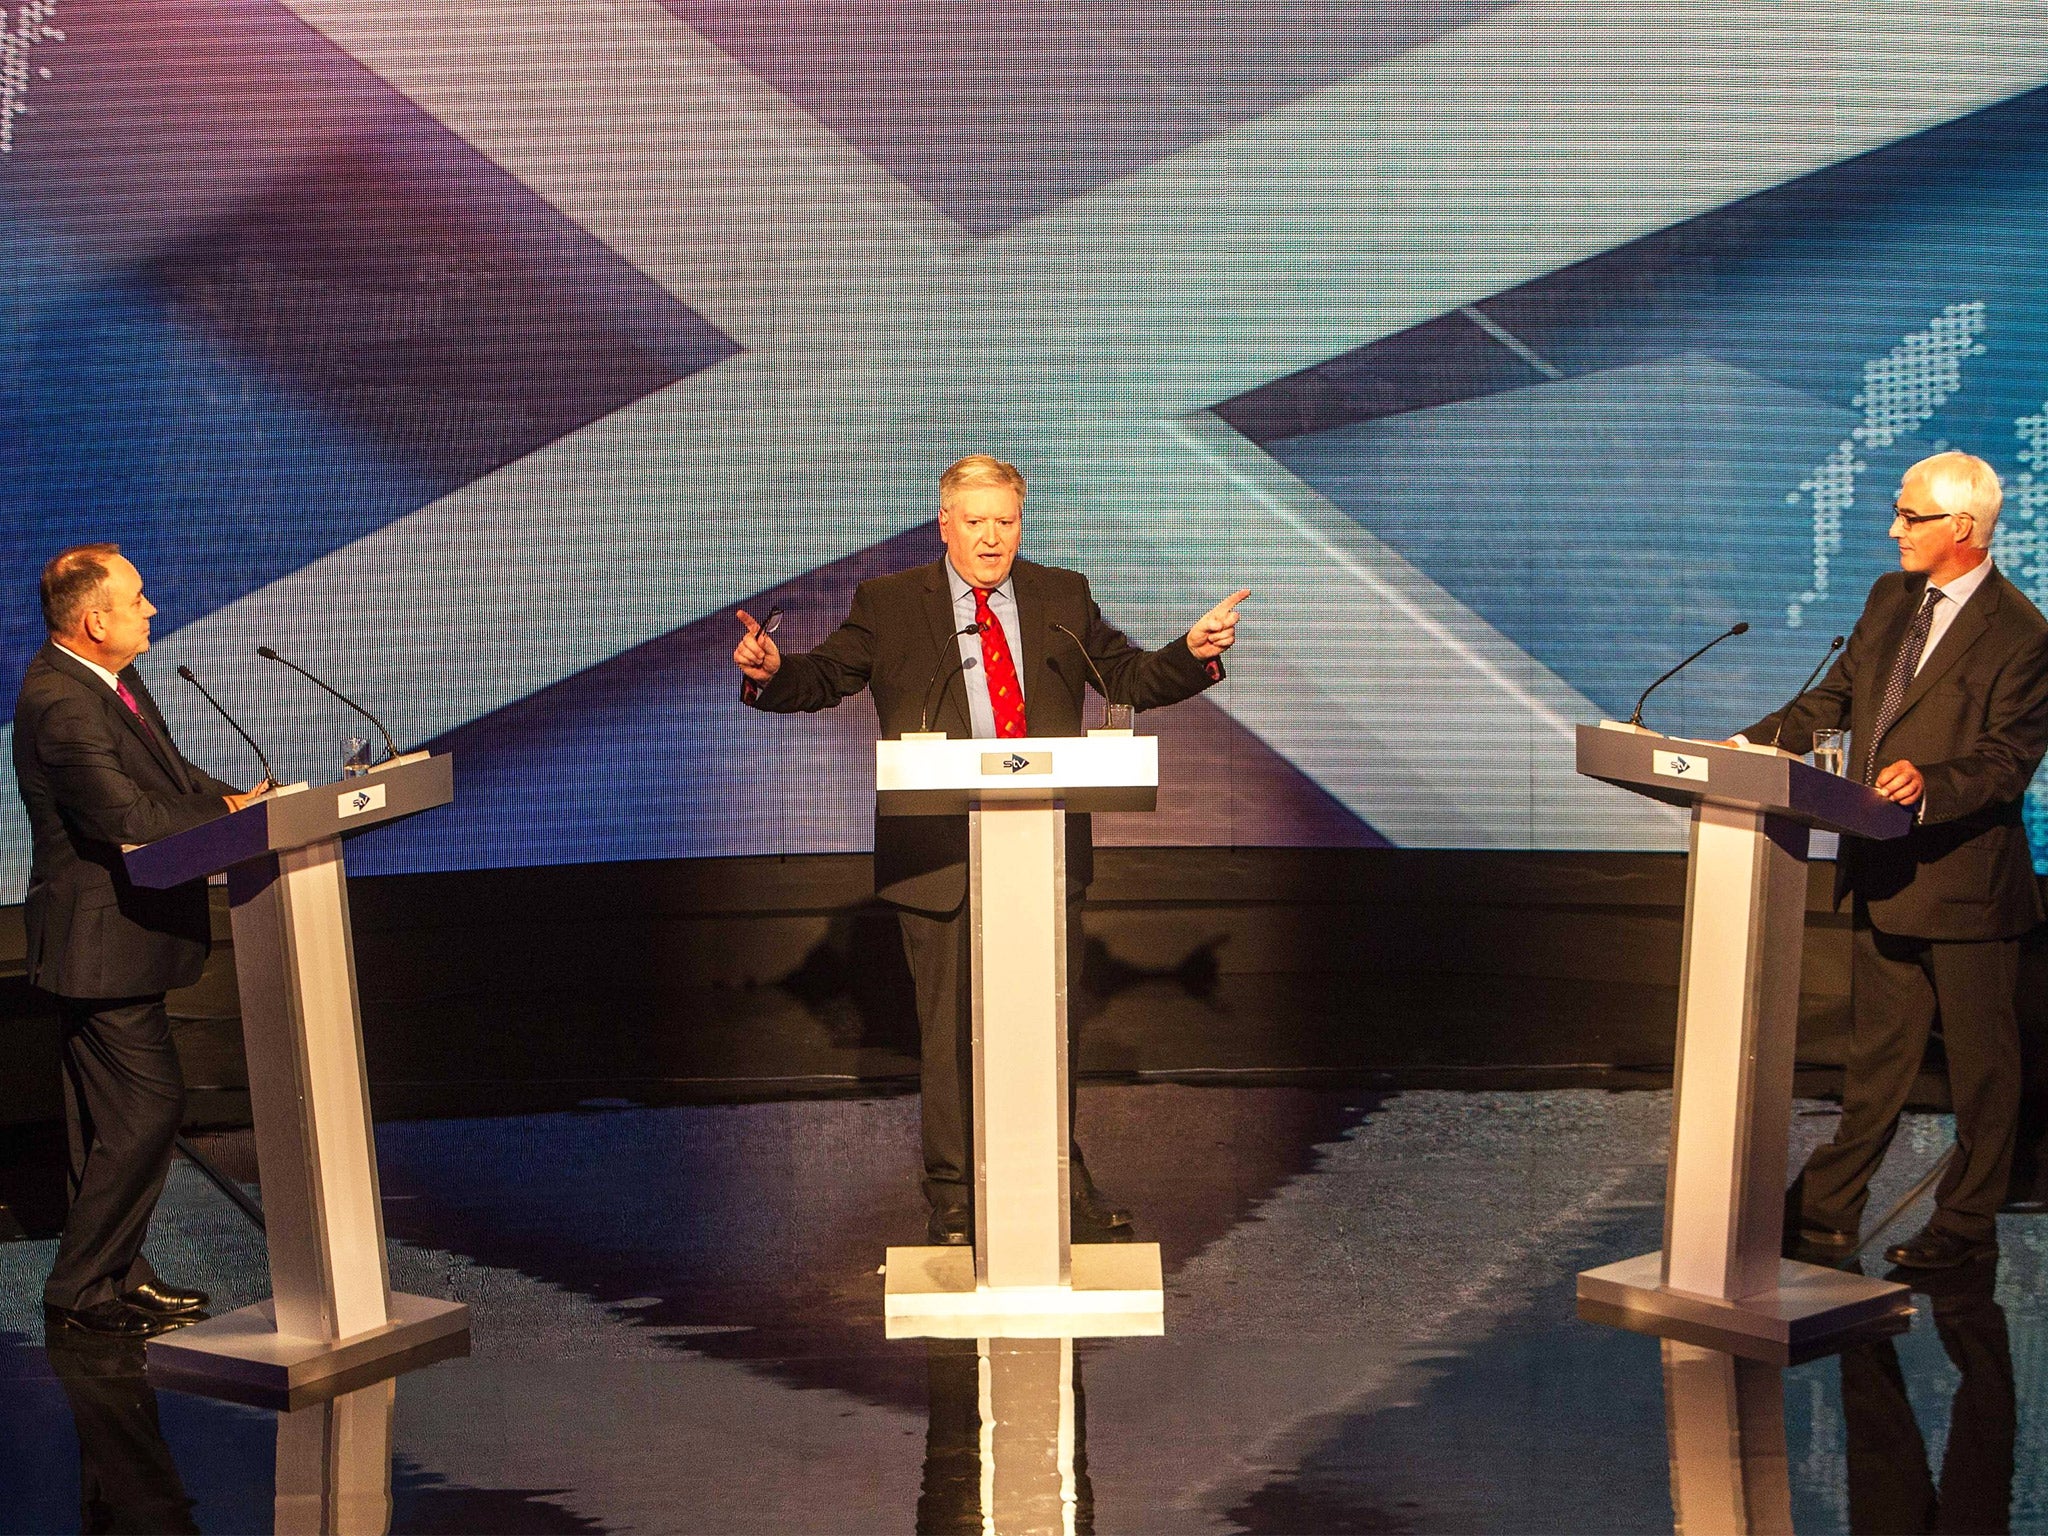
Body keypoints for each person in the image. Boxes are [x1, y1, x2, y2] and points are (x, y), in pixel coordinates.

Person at [732, 454, 1247, 1244]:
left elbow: (1127, 677)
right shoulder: (892, 602)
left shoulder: (1060, 596)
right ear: (946, 524)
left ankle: (1059, 1180)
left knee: (1047, 1023)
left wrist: (1191, 647)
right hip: (935, 854)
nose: (992, 537)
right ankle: (952, 1192)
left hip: (1040, 850)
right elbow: (826, 677)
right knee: (949, 1031)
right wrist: (772, 671)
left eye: (1005, 521)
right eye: (976, 521)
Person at [1735, 452, 2048, 1269]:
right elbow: (1835, 700)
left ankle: (1965, 1226)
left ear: (1963, 528)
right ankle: (1830, 1208)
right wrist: (1744, 745)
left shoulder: (2023, 634)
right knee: (1876, 1061)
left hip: (1969, 886)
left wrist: (1929, 782)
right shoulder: (1890, 597)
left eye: (1909, 517)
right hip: (1884, 868)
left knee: (1983, 1075)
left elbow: (2006, 760)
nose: (1892, 529)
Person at [13, 544, 269, 1337]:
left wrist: (241, 799)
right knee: (148, 1114)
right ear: (95, 621)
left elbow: (166, 775)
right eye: (137, 599)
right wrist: (229, 820)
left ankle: (120, 1275)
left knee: (107, 1126)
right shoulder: (62, 702)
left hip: (125, 942)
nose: (151, 609)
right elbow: (123, 819)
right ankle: (80, 1288)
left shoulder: (109, 683)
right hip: (101, 948)